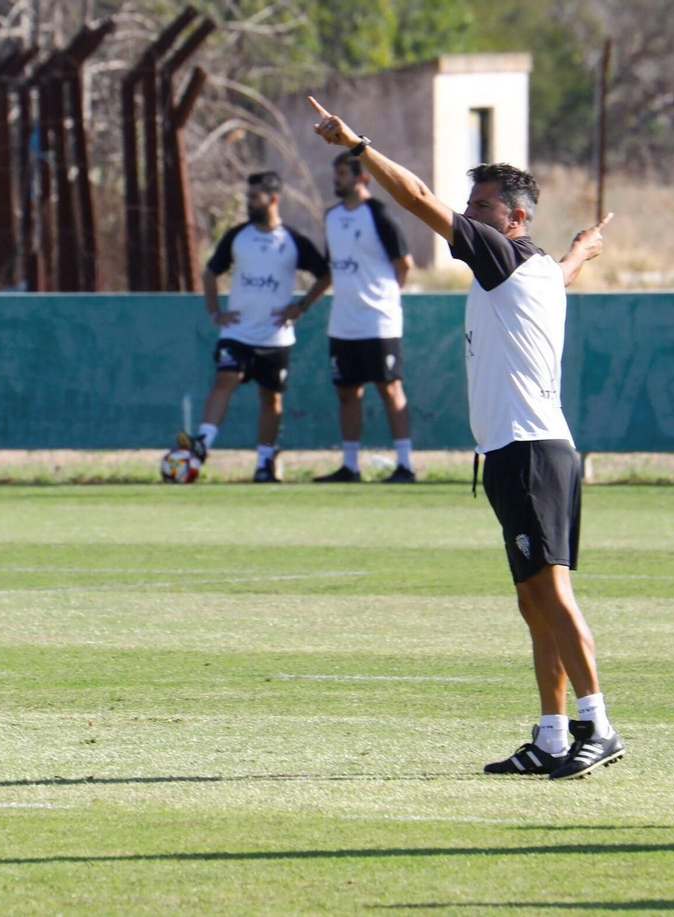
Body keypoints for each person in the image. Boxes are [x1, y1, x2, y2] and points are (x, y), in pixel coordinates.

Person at [309, 97, 623, 779]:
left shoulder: (500, 254)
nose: (468, 212)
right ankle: (550, 734)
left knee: (554, 593)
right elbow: (564, 272)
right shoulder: (537, 266)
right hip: (522, 450)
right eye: (471, 203)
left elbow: (416, 195)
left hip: (531, 448)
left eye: (480, 205)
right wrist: (583, 249)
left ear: (513, 219)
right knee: (531, 597)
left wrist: (356, 144)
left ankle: (598, 723)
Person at [177, 171, 331, 482]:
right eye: (248, 197)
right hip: (238, 331)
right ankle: (203, 444)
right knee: (226, 378)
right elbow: (210, 273)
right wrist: (215, 313)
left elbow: (325, 275)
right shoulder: (238, 236)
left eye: (255, 197)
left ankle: (264, 462)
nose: (249, 203)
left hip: (275, 335)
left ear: (273, 199)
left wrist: (300, 307)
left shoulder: (292, 240)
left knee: (271, 398)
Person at [310, 151, 417, 483]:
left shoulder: (380, 215)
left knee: (389, 388)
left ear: (362, 178)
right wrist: (303, 304)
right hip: (343, 322)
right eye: (336, 173)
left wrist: (386, 296)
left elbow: (405, 263)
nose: (336, 179)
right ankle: (350, 465)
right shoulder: (331, 217)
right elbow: (331, 269)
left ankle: (405, 465)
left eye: (342, 173)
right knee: (347, 392)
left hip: (378, 319)